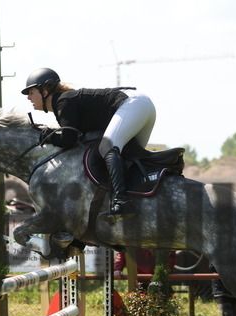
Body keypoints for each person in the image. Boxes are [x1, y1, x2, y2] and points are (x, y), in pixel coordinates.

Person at [21, 67, 157, 223]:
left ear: (45, 91)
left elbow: (68, 140)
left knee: (107, 147)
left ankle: (120, 201)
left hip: (132, 104)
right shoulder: (66, 102)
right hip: (142, 105)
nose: (29, 98)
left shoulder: (63, 101)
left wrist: (47, 136)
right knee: (130, 158)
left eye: (31, 93)